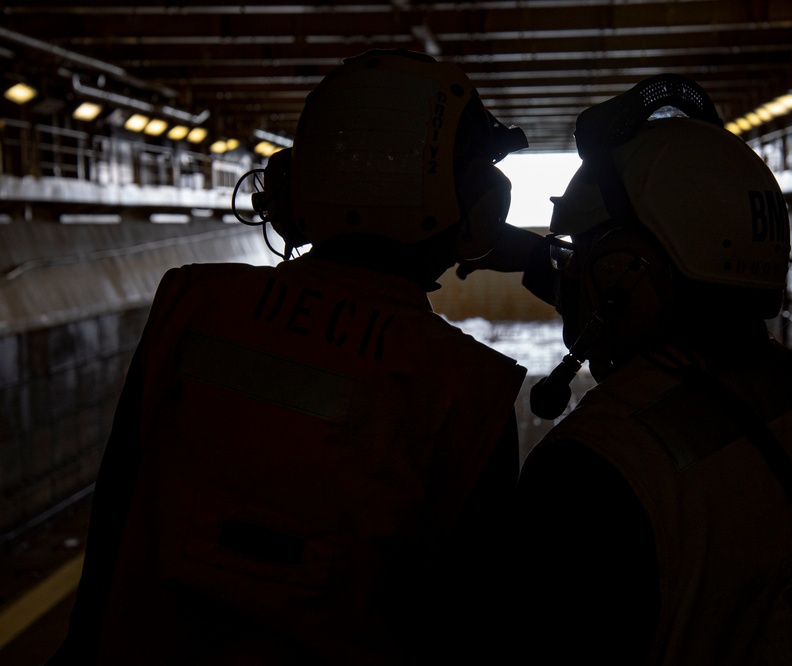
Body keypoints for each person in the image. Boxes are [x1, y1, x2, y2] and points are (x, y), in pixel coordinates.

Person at [48, 50, 528, 666]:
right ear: (475, 206)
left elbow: (115, 522)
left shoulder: (193, 303)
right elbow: (464, 625)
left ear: (296, 182)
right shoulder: (469, 387)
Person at [461, 75, 792, 664]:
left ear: (626, 272)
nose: (572, 272)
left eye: (583, 251)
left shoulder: (592, 469)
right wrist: (531, 255)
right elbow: (641, 295)